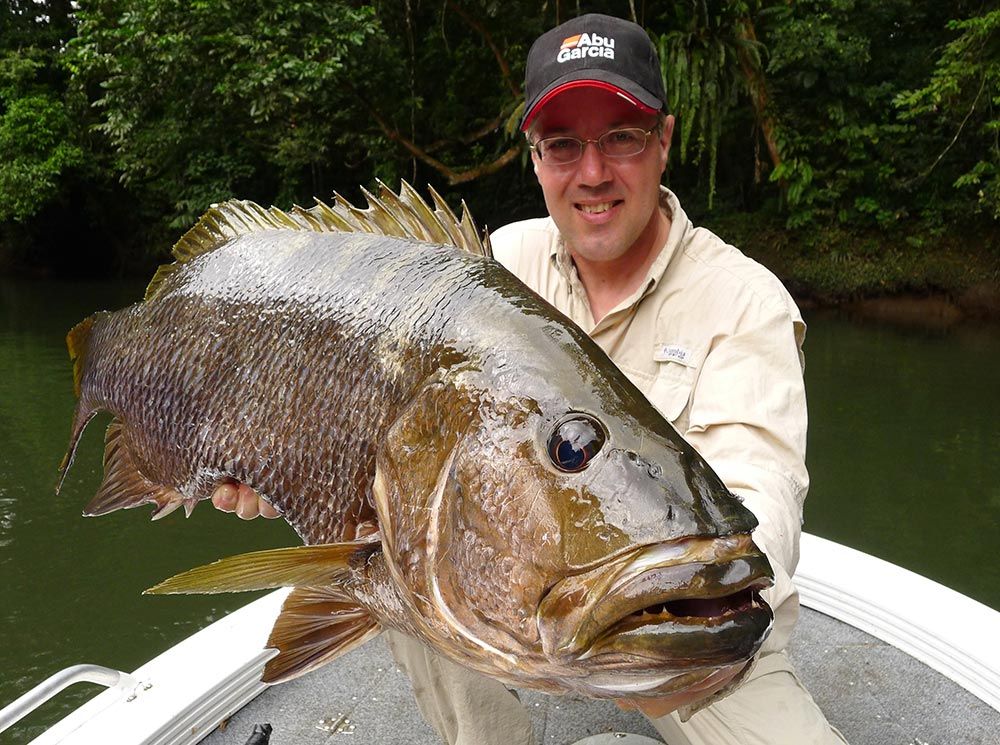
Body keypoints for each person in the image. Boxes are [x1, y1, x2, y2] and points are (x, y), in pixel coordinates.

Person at [213, 13, 847, 745]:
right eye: (563, 144)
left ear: (664, 141)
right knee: (406, 551)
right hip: (515, 591)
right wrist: (285, 462)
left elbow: (760, 491)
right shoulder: (493, 265)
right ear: (536, 156)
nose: (593, 172)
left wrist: (670, 620)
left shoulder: (745, 300)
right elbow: (363, 416)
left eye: (622, 137)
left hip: (692, 638)